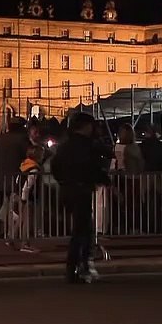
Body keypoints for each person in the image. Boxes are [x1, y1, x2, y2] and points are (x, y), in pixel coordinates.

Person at [52, 112, 109, 283]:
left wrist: (63, 181)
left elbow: (56, 167)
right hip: (81, 190)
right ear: (86, 127)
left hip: (67, 189)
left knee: (80, 230)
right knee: (82, 231)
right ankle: (80, 266)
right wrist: (103, 179)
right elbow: (92, 167)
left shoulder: (64, 145)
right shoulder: (87, 145)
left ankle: (76, 267)